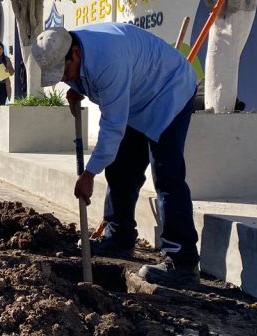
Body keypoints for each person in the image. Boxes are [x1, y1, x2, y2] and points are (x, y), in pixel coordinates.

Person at [31, 23, 199, 287]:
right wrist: (78, 86)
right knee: (122, 169)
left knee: (167, 175)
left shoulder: (107, 60)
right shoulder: (75, 50)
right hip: (137, 97)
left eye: (64, 72)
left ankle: (183, 263)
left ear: (74, 53)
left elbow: (112, 127)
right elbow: (83, 77)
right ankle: (119, 237)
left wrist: (89, 174)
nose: (64, 78)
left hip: (169, 90)